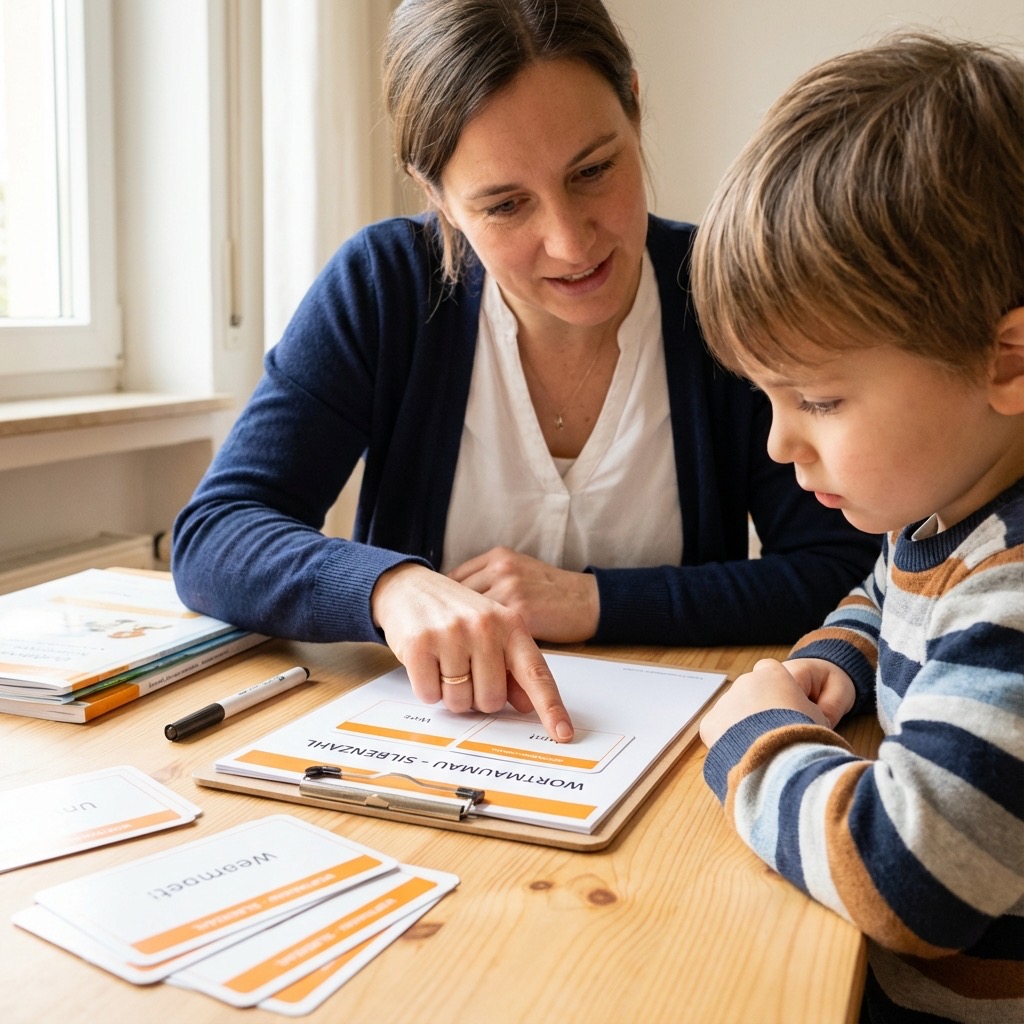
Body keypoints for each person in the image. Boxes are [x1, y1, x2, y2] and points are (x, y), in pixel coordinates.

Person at [171, 0, 879, 742]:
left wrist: (592, 601)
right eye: (506, 205)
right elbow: (215, 535)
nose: (571, 244)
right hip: (426, 756)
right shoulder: (383, 288)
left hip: (675, 759)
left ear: (634, 106)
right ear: (435, 193)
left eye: (595, 170)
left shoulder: (725, 292)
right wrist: (389, 587)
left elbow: (842, 567)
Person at [691, 34, 1023, 1024]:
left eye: (820, 399)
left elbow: (907, 876)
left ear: (1006, 361)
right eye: (765, 396)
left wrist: (755, 739)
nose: (780, 442)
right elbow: (889, 592)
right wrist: (842, 655)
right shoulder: (948, 514)